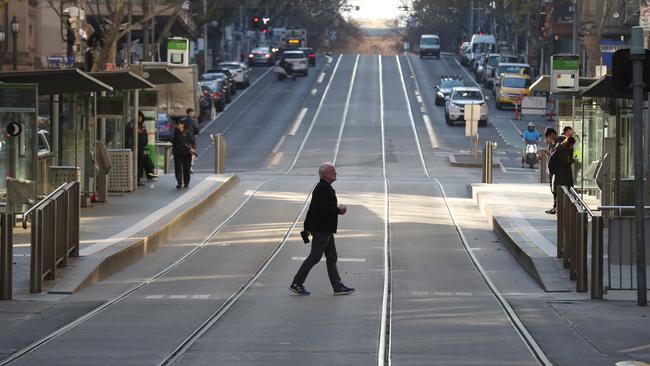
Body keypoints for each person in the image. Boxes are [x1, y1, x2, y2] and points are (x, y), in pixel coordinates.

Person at [289, 162, 355, 296]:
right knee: (315, 256)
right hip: (321, 229)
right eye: (332, 172)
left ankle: (338, 286)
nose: (335, 173)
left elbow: (312, 208)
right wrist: (338, 210)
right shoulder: (322, 188)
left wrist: (307, 226)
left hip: (325, 229)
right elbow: (318, 209)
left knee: (332, 257)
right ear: (324, 174)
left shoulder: (325, 187)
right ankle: (297, 283)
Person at [548, 136, 576, 214]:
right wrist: (572, 160)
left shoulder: (560, 148)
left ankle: (557, 208)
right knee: (565, 192)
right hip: (563, 175)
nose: (572, 146)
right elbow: (564, 163)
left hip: (559, 175)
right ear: (569, 144)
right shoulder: (563, 151)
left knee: (559, 192)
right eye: (572, 145)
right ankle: (561, 209)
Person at [126, 111, 150, 186]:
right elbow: (127, 132)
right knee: (132, 163)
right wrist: (135, 131)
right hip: (132, 148)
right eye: (138, 118)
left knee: (140, 163)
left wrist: (145, 142)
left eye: (141, 118)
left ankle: (138, 179)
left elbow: (145, 135)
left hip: (141, 148)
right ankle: (132, 180)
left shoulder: (142, 125)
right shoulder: (130, 125)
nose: (140, 119)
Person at [171, 119, 195, 189]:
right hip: (177, 153)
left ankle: (186, 183)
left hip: (186, 153)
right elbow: (171, 140)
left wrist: (193, 148)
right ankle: (179, 182)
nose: (178, 126)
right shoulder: (174, 132)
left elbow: (192, 141)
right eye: (177, 124)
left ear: (183, 125)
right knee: (178, 168)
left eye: (179, 124)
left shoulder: (187, 132)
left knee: (186, 169)